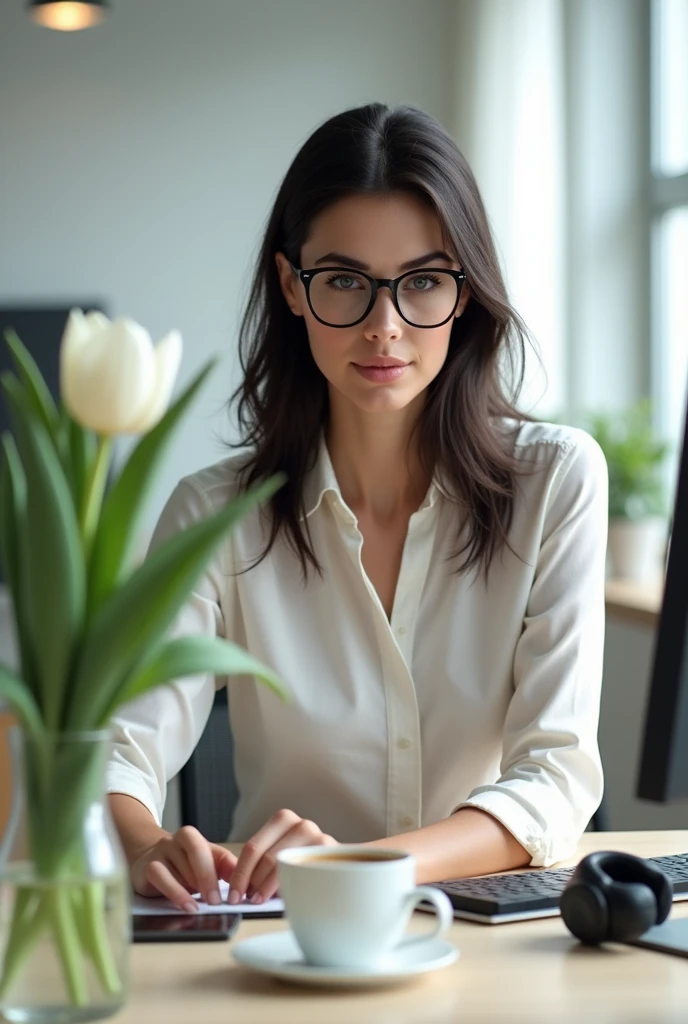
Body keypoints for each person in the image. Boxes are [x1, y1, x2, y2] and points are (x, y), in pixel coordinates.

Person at [106, 102, 608, 913]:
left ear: (466, 293)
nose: (384, 327)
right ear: (291, 288)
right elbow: (117, 750)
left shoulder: (556, 482)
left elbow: (555, 779)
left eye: (422, 283)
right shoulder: (217, 514)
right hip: (281, 938)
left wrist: (354, 869)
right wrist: (145, 846)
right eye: (344, 280)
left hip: (481, 937)